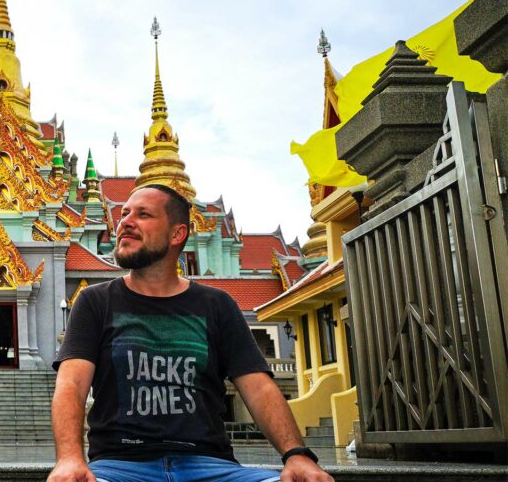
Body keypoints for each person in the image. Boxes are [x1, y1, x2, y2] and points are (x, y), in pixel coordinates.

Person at [49, 184, 334, 482]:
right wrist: (69, 458)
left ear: (177, 234)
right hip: (119, 466)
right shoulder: (95, 301)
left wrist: (296, 455)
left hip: (210, 464)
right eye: (123, 214)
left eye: (143, 214)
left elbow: (258, 387)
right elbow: (71, 383)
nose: (124, 223)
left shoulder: (217, 304)